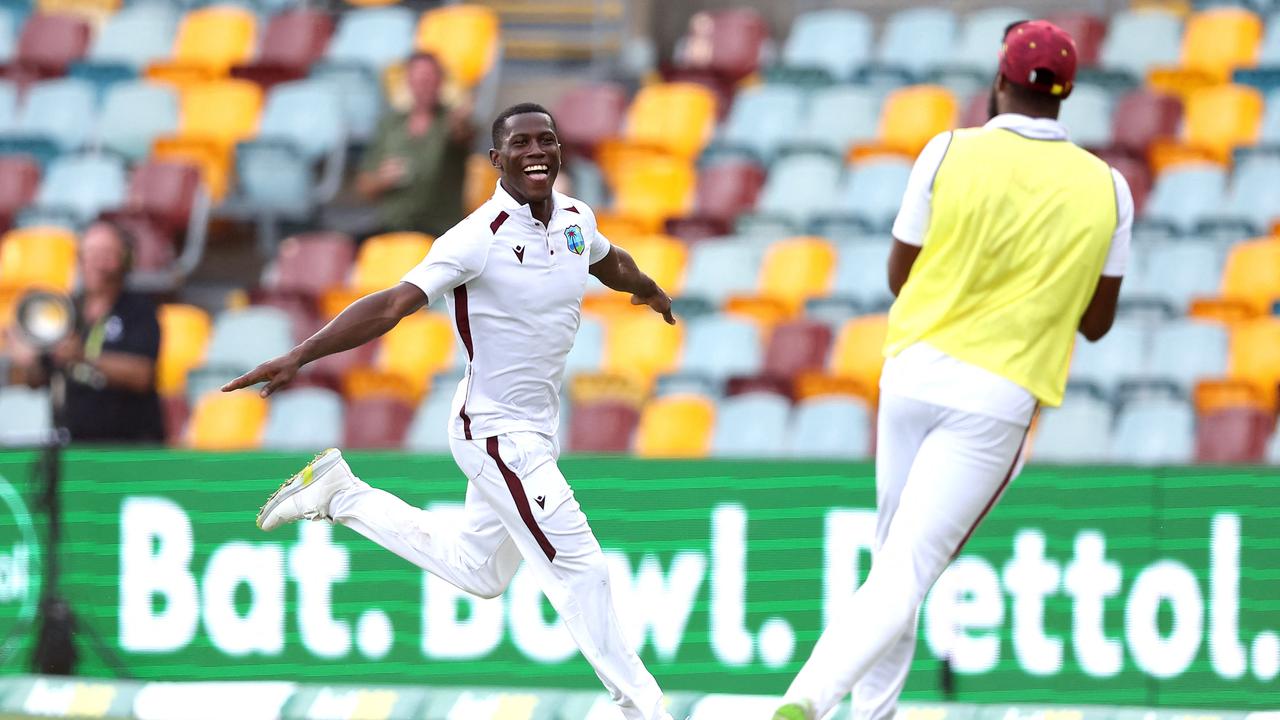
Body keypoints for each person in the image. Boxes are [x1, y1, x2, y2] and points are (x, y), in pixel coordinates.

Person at [224, 103, 681, 720]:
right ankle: (644, 708)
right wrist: (301, 355)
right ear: (496, 160)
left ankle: (343, 495)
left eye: (546, 140)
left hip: (532, 432)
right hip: (495, 433)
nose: (535, 151)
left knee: (481, 572)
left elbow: (607, 261)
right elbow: (390, 306)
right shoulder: (477, 236)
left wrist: (647, 289)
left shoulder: (575, 218)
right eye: (519, 143)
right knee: (582, 566)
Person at [774, 20, 1132, 720]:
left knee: (891, 566)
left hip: (910, 373)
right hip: (994, 398)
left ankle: (867, 715)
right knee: (904, 573)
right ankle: (802, 704)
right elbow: (1096, 323)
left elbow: (899, 274)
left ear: (999, 83)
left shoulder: (946, 150)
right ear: (1066, 96)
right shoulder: (1109, 189)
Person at [6, 221, 164, 443]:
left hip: (130, 446)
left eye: (106, 253)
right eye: (90, 253)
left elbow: (143, 376)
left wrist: (82, 356)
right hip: (75, 445)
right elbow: (37, 380)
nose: (97, 262)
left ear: (125, 260)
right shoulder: (66, 310)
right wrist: (27, 360)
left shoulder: (139, 310)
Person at [355, 51, 473, 237]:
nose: (423, 85)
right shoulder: (390, 125)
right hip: (392, 228)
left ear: (440, 82)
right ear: (408, 82)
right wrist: (381, 180)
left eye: (429, 78)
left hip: (439, 231)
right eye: (418, 79)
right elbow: (364, 186)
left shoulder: (450, 121)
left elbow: (463, 136)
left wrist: (461, 116)